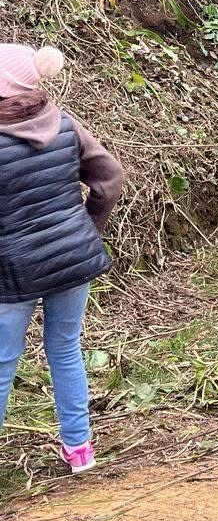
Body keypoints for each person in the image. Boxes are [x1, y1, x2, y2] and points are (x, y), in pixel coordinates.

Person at [0, 42, 125, 475]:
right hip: (73, 260)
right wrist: (88, 228)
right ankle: (80, 451)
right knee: (66, 350)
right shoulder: (66, 123)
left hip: (13, 270)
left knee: (2, 363)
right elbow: (109, 178)